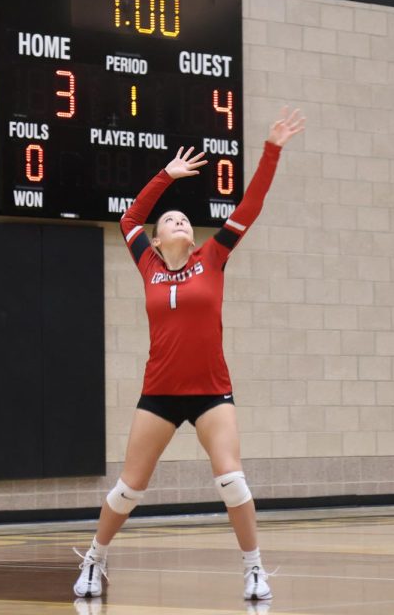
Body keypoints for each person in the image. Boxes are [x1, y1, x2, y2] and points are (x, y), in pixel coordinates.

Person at [73, 107, 306, 603]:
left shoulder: (214, 257)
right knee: (128, 490)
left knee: (233, 481)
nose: (179, 221)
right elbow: (129, 217)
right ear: (157, 240)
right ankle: (95, 559)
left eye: (184, 219)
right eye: (170, 220)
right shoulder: (148, 264)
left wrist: (272, 149)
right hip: (158, 393)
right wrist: (166, 176)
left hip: (210, 392)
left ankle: (254, 570)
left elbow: (252, 203)